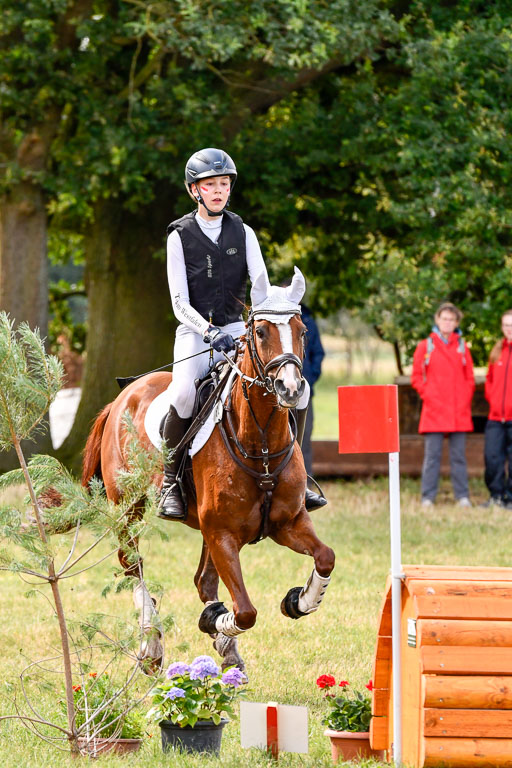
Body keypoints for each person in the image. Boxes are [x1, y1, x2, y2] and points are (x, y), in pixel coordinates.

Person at [159, 147, 326, 520]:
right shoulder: (179, 236)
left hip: (238, 328)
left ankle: (297, 474)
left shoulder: (243, 231)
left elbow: (261, 287)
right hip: (194, 330)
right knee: (185, 393)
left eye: (223, 184)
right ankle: (171, 482)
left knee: (298, 392)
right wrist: (208, 331)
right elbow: (178, 302)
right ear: (194, 191)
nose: (217, 191)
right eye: (209, 185)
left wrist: (256, 324)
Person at [411, 302, 475, 507]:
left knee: (459, 457)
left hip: (459, 412)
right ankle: (427, 498)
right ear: (437, 320)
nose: (447, 322)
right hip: (434, 411)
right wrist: (429, 395)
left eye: (451, 319)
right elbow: (416, 378)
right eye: (444, 318)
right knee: (432, 457)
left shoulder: (463, 347)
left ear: (456, 323)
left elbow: (470, 379)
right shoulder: (425, 346)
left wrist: (464, 399)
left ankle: (462, 497)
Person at [482, 309, 512, 509]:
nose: (509, 329)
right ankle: (496, 496)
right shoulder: (497, 350)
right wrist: (493, 401)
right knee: (492, 458)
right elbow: (489, 381)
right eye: (506, 325)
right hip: (495, 417)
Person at [299, 303, 325, 481]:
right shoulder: (274, 320)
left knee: (304, 437)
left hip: (303, 391)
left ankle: (305, 481)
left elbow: (318, 352)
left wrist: (309, 378)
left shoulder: (309, 322)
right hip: (277, 391)